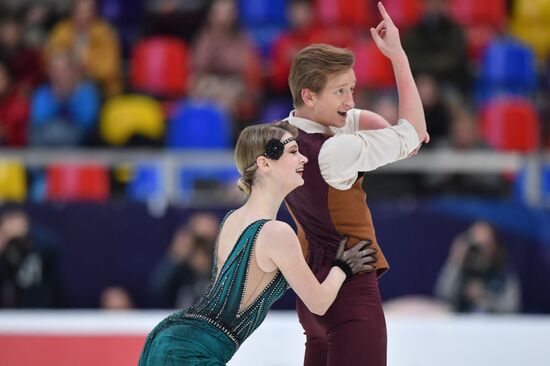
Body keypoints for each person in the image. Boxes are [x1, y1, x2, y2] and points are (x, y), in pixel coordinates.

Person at [139, 121, 377, 365]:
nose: (304, 159)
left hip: (170, 336)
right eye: (294, 152)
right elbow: (319, 303)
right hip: (190, 350)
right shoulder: (277, 233)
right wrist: (343, 267)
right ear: (265, 163)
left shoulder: (232, 219)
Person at [283, 3, 428, 365]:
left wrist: (373, 126)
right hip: (350, 295)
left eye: (353, 89)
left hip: (312, 297)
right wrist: (398, 57)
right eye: (340, 92)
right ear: (309, 95)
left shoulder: (283, 135)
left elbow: (356, 119)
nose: (350, 101)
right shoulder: (335, 152)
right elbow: (416, 133)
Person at [434, 220, 521, 313]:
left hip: (491, 325)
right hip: (462, 324)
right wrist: (456, 260)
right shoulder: (460, 269)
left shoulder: (504, 273)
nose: (480, 250)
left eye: (486, 245)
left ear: (496, 246)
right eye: (476, 245)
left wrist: (484, 297)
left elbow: (512, 308)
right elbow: (442, 295)